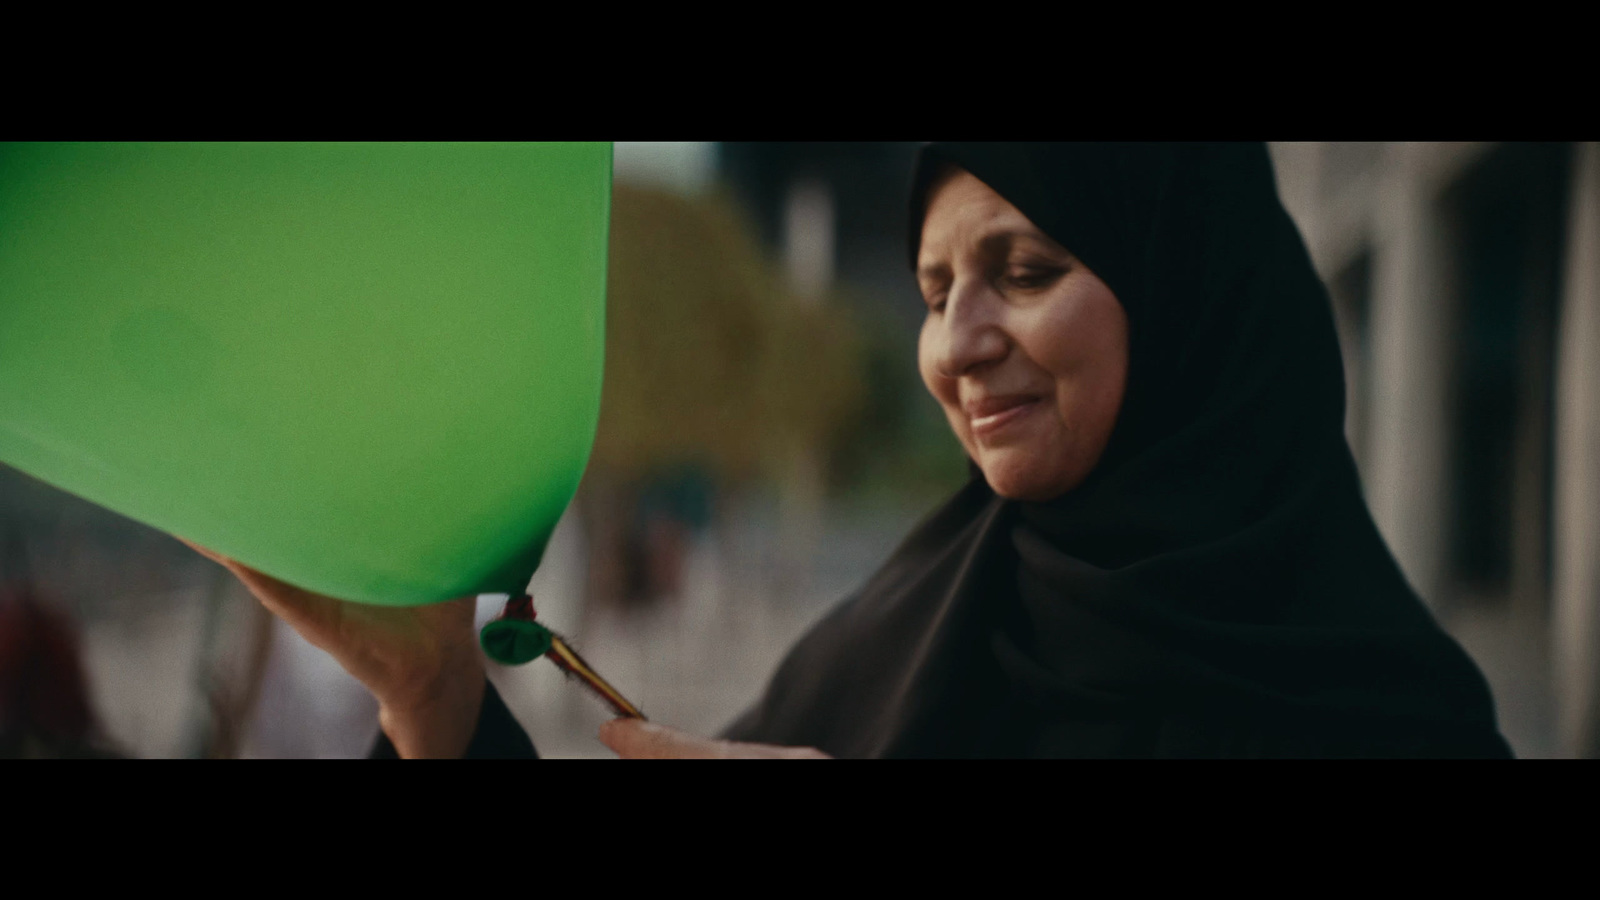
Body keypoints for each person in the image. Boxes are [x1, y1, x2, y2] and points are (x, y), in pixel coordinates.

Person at [196, 142, 1513, 758]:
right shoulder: (912, 633)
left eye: (1027, 270)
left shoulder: (1396, 719)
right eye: (937, 291)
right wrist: (434, 703)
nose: (956, 343)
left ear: (1191, 299)